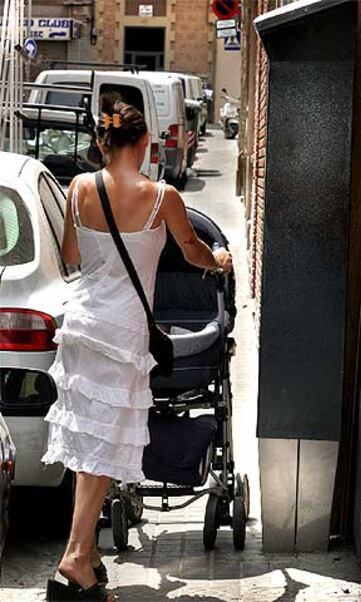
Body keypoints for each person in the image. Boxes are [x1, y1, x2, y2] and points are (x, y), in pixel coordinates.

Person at [42, 99, 232, 602]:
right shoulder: (161, 195)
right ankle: (77, 557)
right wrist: (218, 260)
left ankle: (81, 551)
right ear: (145, 142)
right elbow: (191, 249)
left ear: (104, 141)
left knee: (90, 443)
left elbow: (70, 256)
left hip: (82, 325)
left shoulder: (80, 186)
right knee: (103, 448)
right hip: (123, 332)